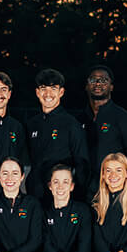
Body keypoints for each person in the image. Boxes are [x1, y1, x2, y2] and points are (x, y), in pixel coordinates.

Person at [80, 65, 127, 185]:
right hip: (83, 192)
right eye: (93, 80)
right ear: (86, 86)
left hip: (113, 190)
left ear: (111, 87)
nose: (98, 83)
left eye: (104, 80)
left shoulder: (124, 118)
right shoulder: (79, 120)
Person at [28, 69, 89, 199]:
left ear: (61, 92)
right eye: (43, 88)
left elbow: (81, 164)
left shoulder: (71, 124)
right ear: (37, 92)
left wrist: (78, 196)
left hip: (60, 197)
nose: (48, 94)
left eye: (53, 88)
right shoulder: (32, 124)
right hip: (35, 194)